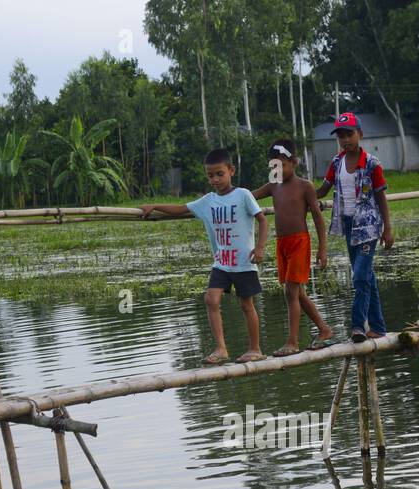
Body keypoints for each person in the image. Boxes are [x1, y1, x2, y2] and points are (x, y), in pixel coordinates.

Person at [140, 148, 267, 365]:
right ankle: (221, 348)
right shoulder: (208, 201)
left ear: (231, 171)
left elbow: (263, 220)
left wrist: (261, 248)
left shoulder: (243, 195)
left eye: (220, 174)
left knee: (247, 305)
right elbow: (181, 209)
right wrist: (155, 206)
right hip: (221, 262)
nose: (215, 179)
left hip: (244, 262)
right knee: (211, 299)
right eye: (210, 175)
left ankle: (255, 349)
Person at [315, 113, 394, 343]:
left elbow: (382, 197)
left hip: (368, 227)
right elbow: (322, 190)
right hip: (348, 225)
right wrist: (301, 193)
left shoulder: (372, 164)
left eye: (349, 134)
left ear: (360, 134)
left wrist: (387, 228)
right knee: (367, 277)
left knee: (359, 276)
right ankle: (378, 327)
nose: (345, 139)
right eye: (340, 135)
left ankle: (358, 326)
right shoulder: (336, 163)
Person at [252, 139, 335, 355]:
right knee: (296, 293)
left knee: (291, 291)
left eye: (281, 165)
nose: (276, 170)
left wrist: (322, 249)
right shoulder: (273, 185)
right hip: (282, 243)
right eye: (273, 167)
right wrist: (227, 196)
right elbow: (249, 196)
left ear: (294, 162)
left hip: (299, 241)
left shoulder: (304, 186)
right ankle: (324, 329)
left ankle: (292, 342)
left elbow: (317, 217)